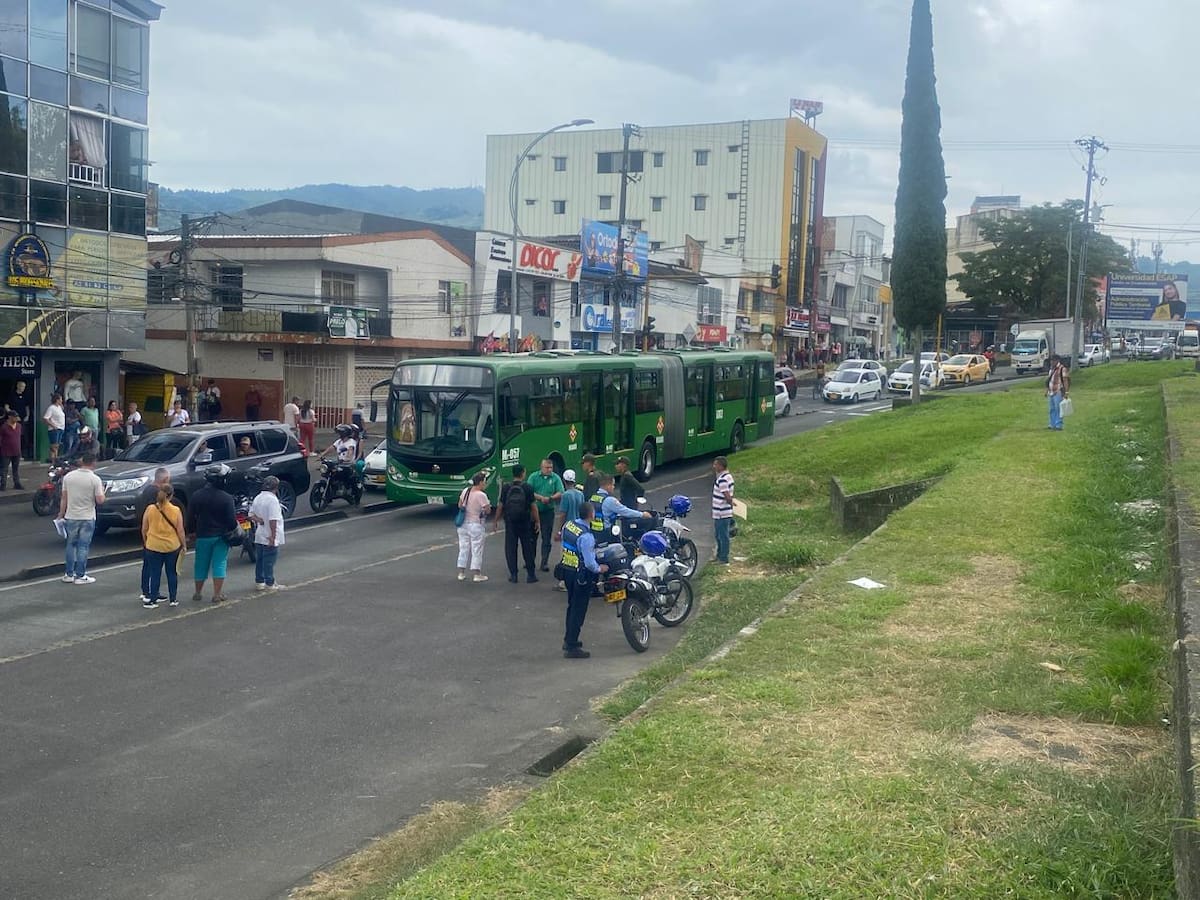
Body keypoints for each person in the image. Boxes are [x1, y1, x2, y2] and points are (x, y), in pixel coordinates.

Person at [559, 501, 607, 659]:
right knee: (578, 610)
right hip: (581, 576)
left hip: (567, 570)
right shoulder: (586, 536)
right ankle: (572, 645)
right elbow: (589, 563)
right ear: (591, 515)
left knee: (571, 606)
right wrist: (600, 569)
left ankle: (569, 639)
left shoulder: (569, 525)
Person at [187, 463, 239, 604]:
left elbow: (190, 517)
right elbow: (231, 521)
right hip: (221, 536)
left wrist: (191, 532)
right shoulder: (226, 498)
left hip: (202, 535)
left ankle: (198, 592)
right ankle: (217, 594)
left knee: (200, 564)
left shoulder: (196, 496)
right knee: (219, 563)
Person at [59, 451, 105, 584]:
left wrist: (61, 514)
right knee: (83, 546)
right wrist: (104, 491)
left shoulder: (68, 477)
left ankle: (69, 574)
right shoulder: (95, 479)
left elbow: (64, 498)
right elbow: (100, 500)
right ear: (94, 463)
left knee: (70, 545)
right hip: (87, 516)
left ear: (81, 461)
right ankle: (80, 575)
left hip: (71, 516)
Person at [140, 482, 185, 608]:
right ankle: (173, 599)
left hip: (153, 546)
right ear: (171, 495)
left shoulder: (150, 509)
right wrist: (184, 544)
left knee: (155, 573)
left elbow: (144, 529)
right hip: (171, 546)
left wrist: (146, 541)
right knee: (172, 572)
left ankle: (153, 599)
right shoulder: (176, 510)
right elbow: (180, 530)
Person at [493, 464, 538, 583]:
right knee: (527, 547)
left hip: (510, 521)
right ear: (523, 473)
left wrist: (496, 520)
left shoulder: (506, 487)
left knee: (511, 548)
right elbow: (533, 506)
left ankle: (513, 575)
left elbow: (501, 505)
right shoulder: (528, 487)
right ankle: (531, 575)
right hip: (525, 521)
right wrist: (537, 521)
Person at [138, 467, 172, 603]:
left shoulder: (147, 490)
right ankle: (152, 593)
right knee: (155, 567)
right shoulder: (158, 494)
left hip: (147, 532)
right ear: (164, 480)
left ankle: (145, 590)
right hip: (156, 534)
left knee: (147, 564)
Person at [249, 475, 285, 590]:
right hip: (269, 534)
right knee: (269, 560)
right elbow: (273, 520)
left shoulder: (258, 497)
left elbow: (250, 515)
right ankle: (270, 583)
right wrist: (273, 537)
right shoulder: (273, 500)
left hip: (260, 534)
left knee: (260, 559)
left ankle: (259, 581)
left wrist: (259, 520)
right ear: (276, 488)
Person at [528, 458, 564, 572]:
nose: (549, 470)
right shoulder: (533, 477)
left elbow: (560, 492)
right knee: (532, 537)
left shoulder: (555, 478)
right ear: (541, 467)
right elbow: (528, 492)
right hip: (534, 511)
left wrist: (551, 498)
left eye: (551, 468)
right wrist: (540, 498)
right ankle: (530, 560)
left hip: (548, 511)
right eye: (547, 468)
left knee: (546, 537)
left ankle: (544, 562)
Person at [455, 471, 491, 582]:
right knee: (477, 549)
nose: (485, 484)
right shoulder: (481, 495)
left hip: (463, 524)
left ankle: (461, 573)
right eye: (484, 481)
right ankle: (477, 574)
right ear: (480, 482)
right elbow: (487, 509)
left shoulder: (466, 490)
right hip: (476, 524)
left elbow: (460, 504)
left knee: (463, 548)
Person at [553, 469, 585, 592]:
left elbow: (562, 514)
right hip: (579, 528)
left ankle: (564, 582)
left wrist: (558, 531)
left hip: (568, 529)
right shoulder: (580, 494)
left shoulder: (566, 495)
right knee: (577, 554)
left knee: (566, 555)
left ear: (564, 481)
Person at [712, 455, 735, 565]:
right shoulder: (729, 476)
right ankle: (720, 555)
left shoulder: (722, 480)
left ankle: (723, 558)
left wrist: (731, 503)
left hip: (721, 513)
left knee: (722, 536)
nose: (714, 466)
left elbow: (726, 495)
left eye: (716, 464)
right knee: (720, 535)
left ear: (721, 466)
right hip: (723, 512)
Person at [1046, 354, 1071, 431]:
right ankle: (1052, 424)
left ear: (1057, 361)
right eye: (1051, 360)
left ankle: (1058, 425)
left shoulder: (1062, 369)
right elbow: (1050, 380)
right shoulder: (1051, 369)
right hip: (1051, 391)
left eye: (1053, 360)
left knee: (1058, 408)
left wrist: (1066, 392)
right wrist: (1047, 390)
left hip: (1058, 391)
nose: (1051, 362)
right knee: (1051, 409)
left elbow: (1065, 380)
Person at [0, 409, 22, 490]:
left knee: (15, 469)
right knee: (4, 469)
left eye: (17, 417)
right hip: (6, 451)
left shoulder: (19, 426)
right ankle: (3, 485)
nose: (16, 418)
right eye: (14, 417)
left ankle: (17, 484)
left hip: (17, 451)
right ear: (9, 417)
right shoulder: (4, 427)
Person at [43, 393, 65, 463]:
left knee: (57, 445)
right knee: (54, 446)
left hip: (61, 428)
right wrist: (53, 425)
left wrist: (61, 405)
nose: (62, 400)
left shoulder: (59, 407)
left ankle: (56, 459)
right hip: (54, 429)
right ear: (57, 400)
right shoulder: (51, 408)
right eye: (60, 399)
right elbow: (46, 418)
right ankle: (53, 460)